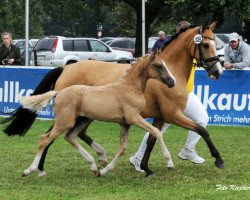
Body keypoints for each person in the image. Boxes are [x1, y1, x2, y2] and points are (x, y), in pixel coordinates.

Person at [130, 21, 208, 173]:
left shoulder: (192, 48)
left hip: (187, 92)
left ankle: (187, 150)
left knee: (201, 119)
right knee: (158, 128)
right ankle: (138, 159)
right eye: (183, 31)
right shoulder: (170, 47)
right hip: (171, 92)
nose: (186, 34)